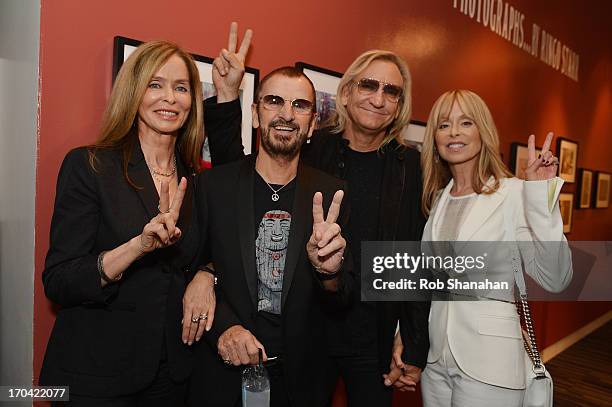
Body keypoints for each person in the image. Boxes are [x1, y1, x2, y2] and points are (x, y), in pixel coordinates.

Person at [205, 25, 429, 405]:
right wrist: (227, 97)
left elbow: (412, 254)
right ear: (347, 92)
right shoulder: (314, 145)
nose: (378, 98)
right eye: (368, 85)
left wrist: (409, 336)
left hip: (370, 330)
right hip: (312, 327)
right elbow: (239, 184)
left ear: (400, 104)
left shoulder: (410, 164)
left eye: (391, 91)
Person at [39, 40, 215, 406]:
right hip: (96, 376)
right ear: (133, 92)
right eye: (155, 84)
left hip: (172, 376)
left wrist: (206, 275)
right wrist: (138, 246)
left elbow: (212, 252)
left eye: (181, 87)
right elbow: (60, 280)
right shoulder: (90, 166)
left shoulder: (196, 180)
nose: (170, 97)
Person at [187, 66, 352, 407]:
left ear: (312, 124)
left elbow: (343, 299)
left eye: (300, 105)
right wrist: (222, 324)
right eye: (274, 101)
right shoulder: (213, 187)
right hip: (223, 377)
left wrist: (329, 271)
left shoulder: (333, 195)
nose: (286, 115)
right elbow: (184, 270)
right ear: (255, 113)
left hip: (303, 383)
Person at [399, 89, 572, 406]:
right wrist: (406, 337)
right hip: (436, 359)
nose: (454, 132)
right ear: (434, 138)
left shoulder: (515, 193)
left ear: (483, 131)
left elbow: (556, 278)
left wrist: (539, 195)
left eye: (466, 122)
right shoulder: (438, 199)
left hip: (490, 362)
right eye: (444, 124)